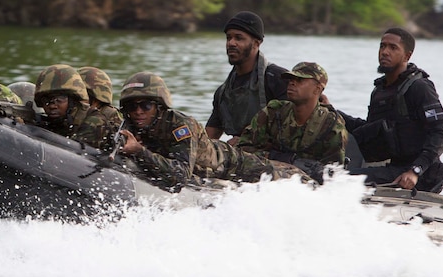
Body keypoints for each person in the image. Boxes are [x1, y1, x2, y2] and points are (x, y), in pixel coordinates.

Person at [336, 28, 443, 192]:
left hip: (418, 174)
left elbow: (441, 134)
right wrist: (332, 112)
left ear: (407, 56)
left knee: (342, 181)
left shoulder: (419, 87)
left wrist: (415, 171)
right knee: (331, 174)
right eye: (382, 46)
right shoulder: (380, 91)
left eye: (393, 48)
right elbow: (369, 130)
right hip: (393, 167)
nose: (385, 52)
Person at [116, 72, 274, 191]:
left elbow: (180, 176)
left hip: (235, 165)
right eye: (132, 107)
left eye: (145, 106)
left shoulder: (181, 126)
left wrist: (140, 151)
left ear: (159, 107)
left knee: (289, 179)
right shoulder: (131, 126)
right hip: (204, 174)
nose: (138, 112)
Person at [235, 62, 348, 183]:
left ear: (317, 89)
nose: (292, 83)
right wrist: (278, 158)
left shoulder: (331, 125)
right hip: (266, 178)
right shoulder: (273, 112)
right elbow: (243, 149)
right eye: (291, 79)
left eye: (300, 80)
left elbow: (333, 174)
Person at [206, 11, 289, 141]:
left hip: (272, 155)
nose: (231, 43)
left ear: (257, 43)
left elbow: (296, 128)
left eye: (239, 38)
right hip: (238, 155)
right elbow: (210, 136)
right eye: (229, 38)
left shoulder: (278, 79)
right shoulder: (223, 93)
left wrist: (247, 141)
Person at [33, 64, 119, 151]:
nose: (52, 106)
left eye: (59, 99)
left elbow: (70, 155)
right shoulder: (58, 121)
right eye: (46, 100)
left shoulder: (94, 122)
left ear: (73, 100)